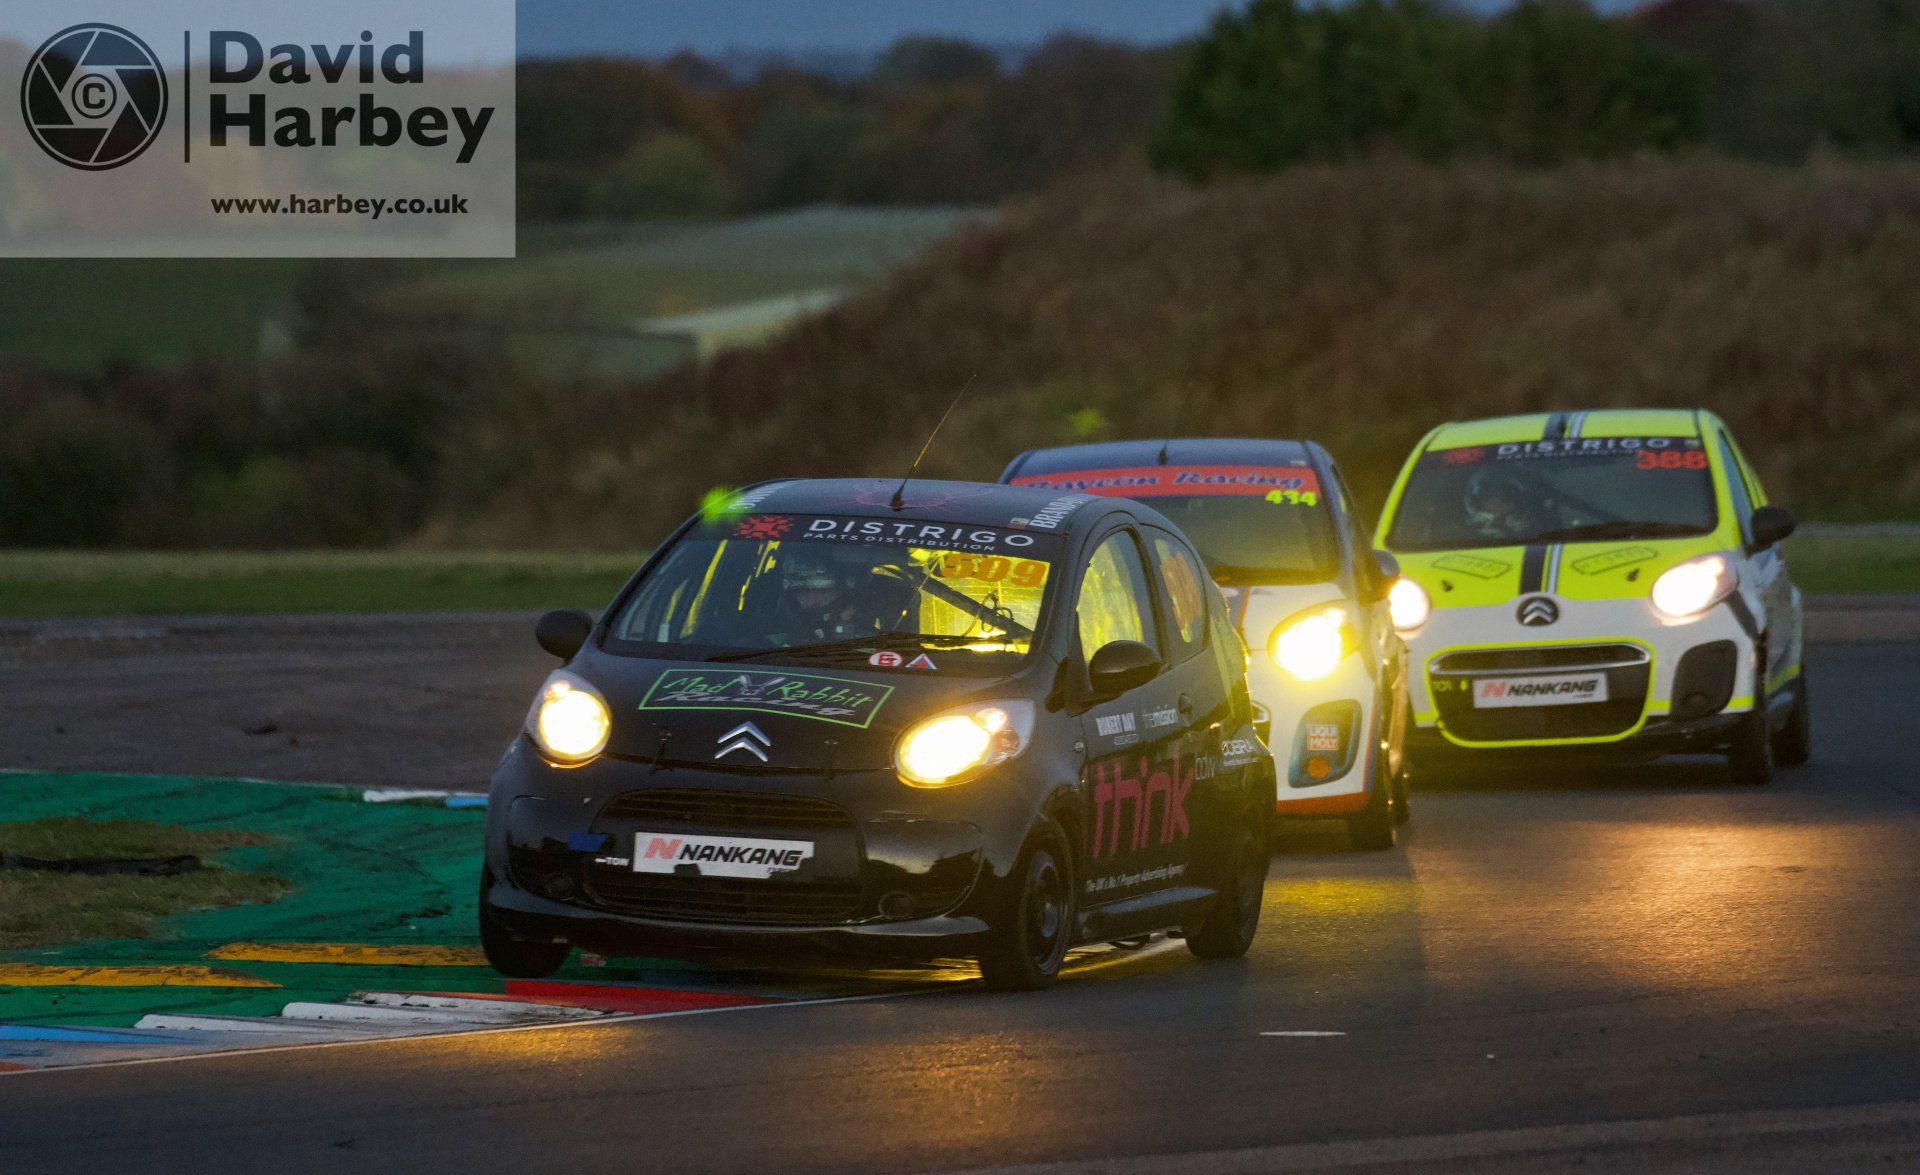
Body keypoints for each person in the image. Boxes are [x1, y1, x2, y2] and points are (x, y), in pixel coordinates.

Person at [1462, 470, 1549, 541]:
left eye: (1504, 497)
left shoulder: (1530, 520)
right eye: (1486, 496)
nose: (1495, 502)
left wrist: (1507, 532)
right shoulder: (1469, 522)